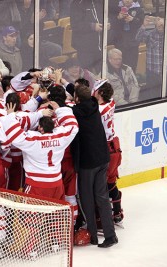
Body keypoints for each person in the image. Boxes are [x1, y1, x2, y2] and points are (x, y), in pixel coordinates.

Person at [71, 84, 118, 248]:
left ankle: (92, 235)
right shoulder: (94, 105)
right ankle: (110, 235)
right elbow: (82, 96)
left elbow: (67, 108)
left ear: (76, 98)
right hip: (103, 158)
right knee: (102, 197)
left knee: (87, 199)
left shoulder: (75, 112)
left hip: (88, 163)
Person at [2, 100, 78, 200]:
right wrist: (60, 110)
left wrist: (11, 115)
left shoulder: (33, 139)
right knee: (55, 213)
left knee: (34, 214)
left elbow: (14, 134)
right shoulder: (60, 136)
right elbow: (73, 126)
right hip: (56, 183)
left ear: (40, 128)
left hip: (36, 184)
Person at [93, 81, 124, 226]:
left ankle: (101, 217)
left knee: (100, 185)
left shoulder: (98, 110)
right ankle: (117, 212)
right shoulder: (111, 103)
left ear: (99, 92)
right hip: (114, 147)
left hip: (105, 149)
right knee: (111, 181)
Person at [135, 13, 167, 99]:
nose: (160, 24)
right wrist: (144, 25)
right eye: (158, 21)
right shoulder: (149, 34)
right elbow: (138, 38)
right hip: (153, 73)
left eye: (163, 21)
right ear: (155, 23)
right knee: (153, 98)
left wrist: (165, 25)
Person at [70, 0, 108, 73]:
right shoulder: (77, 3)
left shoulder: (99, 2)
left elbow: (105, 16)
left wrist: (106, 23)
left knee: (101, 73)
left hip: (100, 45)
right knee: (87, 74)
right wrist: (93, 26)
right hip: (85, 47)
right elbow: (75, 25)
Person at [110, 0, 144, 72]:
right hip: (120, 43)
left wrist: (133, 20)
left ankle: (131, 82)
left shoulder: (138, 9)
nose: (127, 0)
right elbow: (111, 25)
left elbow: (141, 24)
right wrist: (118, 18)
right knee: (119, 67)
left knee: (132, 67)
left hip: (133, 44)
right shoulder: (116, 8)